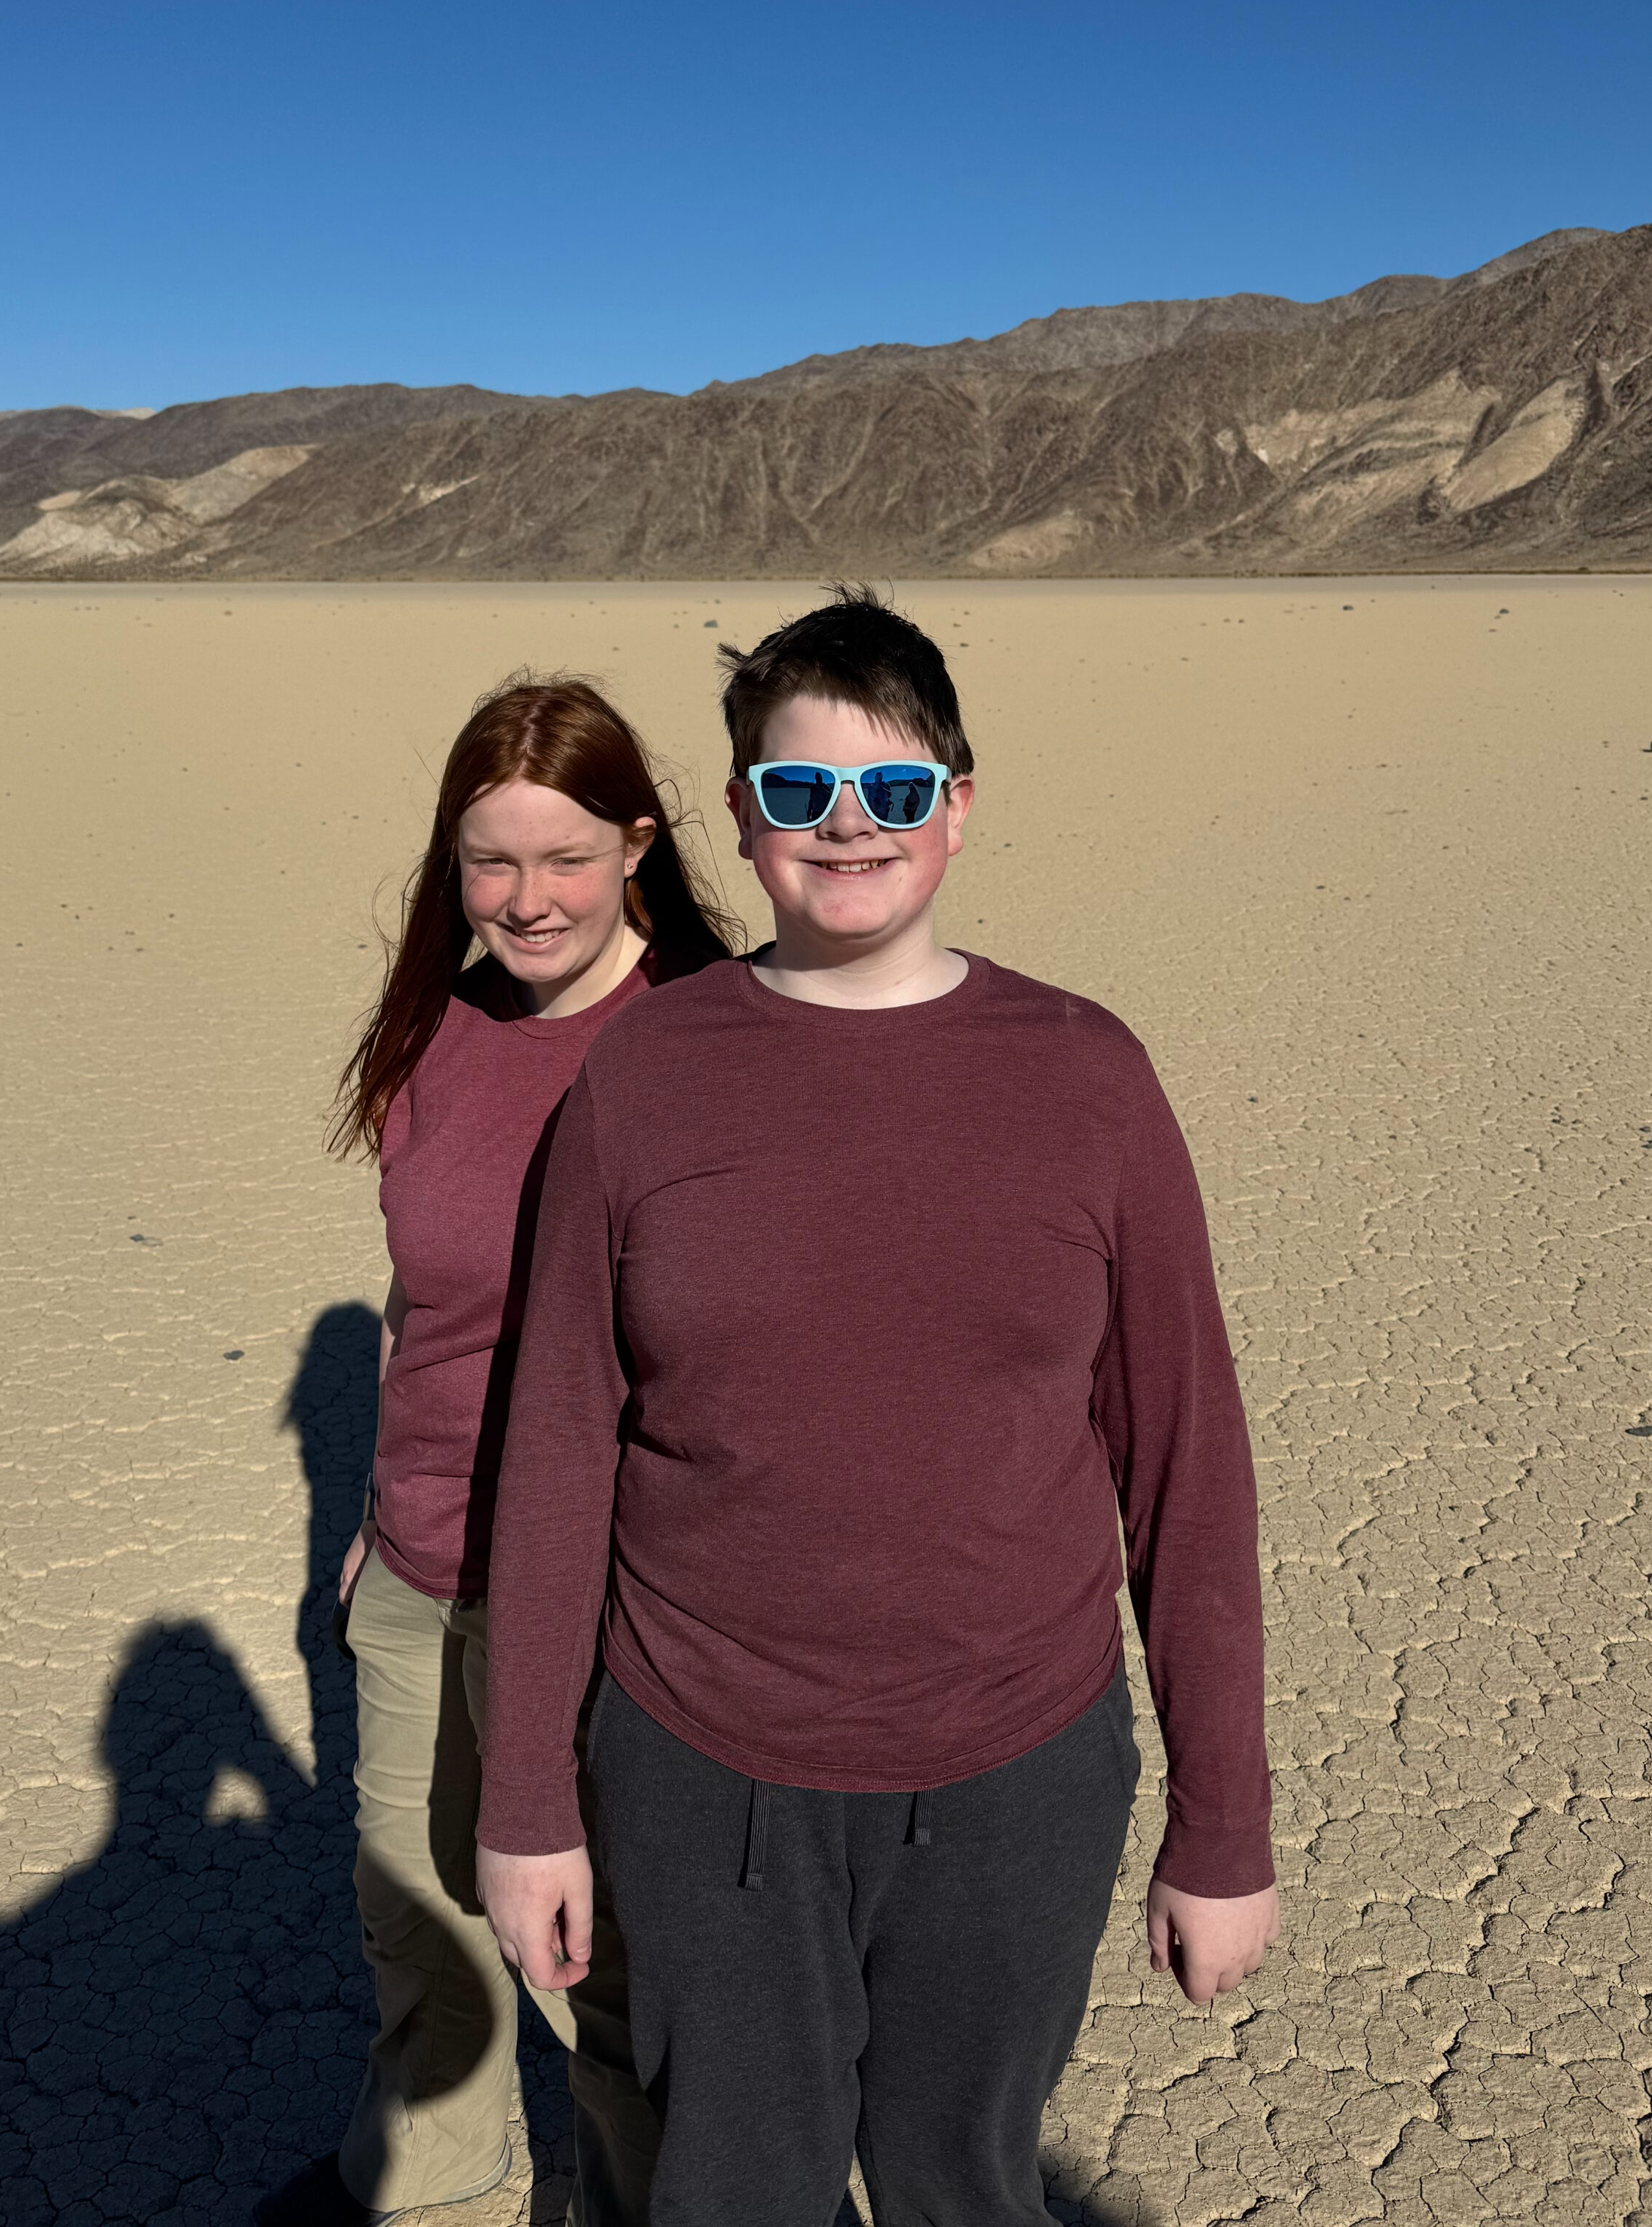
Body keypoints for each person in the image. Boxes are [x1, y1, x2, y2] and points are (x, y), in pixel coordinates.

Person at [473, 589, 1278, 2227]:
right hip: (702, 1769)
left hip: (1015, 1771)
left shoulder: (1086, 1073)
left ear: (959, 807)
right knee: (730, 2190)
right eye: (799, 794)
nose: (849, 830)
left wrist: (1225, 1823)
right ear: (738, 818)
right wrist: (529, 1801)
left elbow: (1187, 1462)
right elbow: (558, 1444)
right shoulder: (644, 1073)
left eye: (895, 792)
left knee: (962, 2184)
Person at [258, 676, 740, 2227]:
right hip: (418, 1566)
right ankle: (436, 2197)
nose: (526, 899)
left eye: (566, 856)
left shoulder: (701, 1041)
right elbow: (422, 1292)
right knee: (424, 1933)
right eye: (491, 859)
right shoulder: (437, 1029)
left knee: (600, 1970)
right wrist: (375, 1507)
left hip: (600, 1597)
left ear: (640, 845)